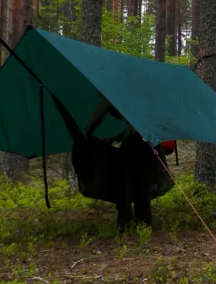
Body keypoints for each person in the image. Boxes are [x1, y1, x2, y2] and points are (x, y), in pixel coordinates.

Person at [53, 94, 172, 228]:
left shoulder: (112, 93)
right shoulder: (137, 96)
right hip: (147, 144)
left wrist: (87, 135)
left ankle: (127, 222)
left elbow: (99, 114)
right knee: (142, 183)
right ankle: (142, 221)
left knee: (127, 183)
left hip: (136, 146)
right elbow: (132, 127)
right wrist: (113, 138)